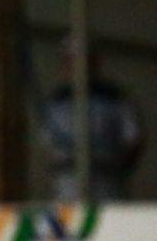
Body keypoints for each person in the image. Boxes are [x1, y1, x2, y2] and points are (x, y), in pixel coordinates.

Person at [41, 38, 144, 201]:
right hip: (67, 181)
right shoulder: (56, 102)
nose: (75, 67)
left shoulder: (115, 99)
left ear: (95, 63)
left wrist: (117, 168)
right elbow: (49, 144)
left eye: (82, 61)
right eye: (69, 61)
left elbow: (133, 140)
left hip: (105, 179)